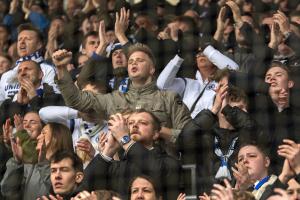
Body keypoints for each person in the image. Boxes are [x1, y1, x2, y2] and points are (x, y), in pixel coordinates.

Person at [52, 42, 191, 147]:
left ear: (152, 69)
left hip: (161, 166)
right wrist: (61, 69)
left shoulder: (169, 98)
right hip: (123, 170)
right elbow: (76, 100)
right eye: (130, 61)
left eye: (140, 60)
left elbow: (190, 137)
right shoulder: (113, 99)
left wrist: (155, 129)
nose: (133, 63)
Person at [178, 79, 261, 195]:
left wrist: (228, 110)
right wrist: (214, 109)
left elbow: (252, 127)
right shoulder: (204, 136)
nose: (245, 112)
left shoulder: (245, 137)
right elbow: (185, 137)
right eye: (240, 108)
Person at [83, 109, 182, 199]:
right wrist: (108, 151)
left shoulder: (168, 162)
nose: (134, 125)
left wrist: (125, 139)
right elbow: (85, 186)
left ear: (155, 134)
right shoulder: (117, 165)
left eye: (143, 122)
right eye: (130, 123)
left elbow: (156, 170)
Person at [157, 44, 238, 118]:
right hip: (187, 130)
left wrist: (208, 49)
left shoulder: (222, 82)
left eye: (205, 53)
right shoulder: (187, 83)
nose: (201, 54)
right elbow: (162, 85)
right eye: (198, 53)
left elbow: (234, 70)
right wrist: (178, 57)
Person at [1, 122, 73, 200]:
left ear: (56, 138)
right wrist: (17, 162)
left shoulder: (71, 168)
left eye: (44, 133)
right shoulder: (30, 168)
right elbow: (8, 193)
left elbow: (60, 192)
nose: (38, 137)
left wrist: (43, 163)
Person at [0, 23, 57, 103]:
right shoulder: (6, 75)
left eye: (28, 39)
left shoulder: (48, 69)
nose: (22, 42)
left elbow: (53, 99)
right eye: (19, 39)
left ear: (39, 45)